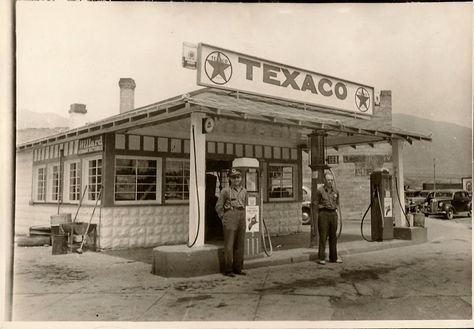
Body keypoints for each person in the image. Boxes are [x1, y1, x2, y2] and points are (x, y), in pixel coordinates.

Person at [215, 168, 247, 277]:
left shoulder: (244, 191)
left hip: (241, 215)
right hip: (230, 215)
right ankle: (228, 269)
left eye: (238, 177)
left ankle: (238, 268)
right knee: (229, 244)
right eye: (234, 177)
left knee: (240, 244)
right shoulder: (225, 191)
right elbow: (219, 206)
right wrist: (224, 217)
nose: (236, 179)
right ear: (230, 179)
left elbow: (247, 204)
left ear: (241, 178)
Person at [313, 172, 342, 265]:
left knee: (333, 236)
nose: (330, 182)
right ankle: (321, 258)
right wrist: (321, 209)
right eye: (328, 180)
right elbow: (315, 203)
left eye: (331, 180)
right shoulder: (320, 190)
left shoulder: (336, 191)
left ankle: (333, 257)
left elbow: (337, 202)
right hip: (324, 214)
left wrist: (335, 210)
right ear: (325, 180)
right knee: (323, 236)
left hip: (333, 214)